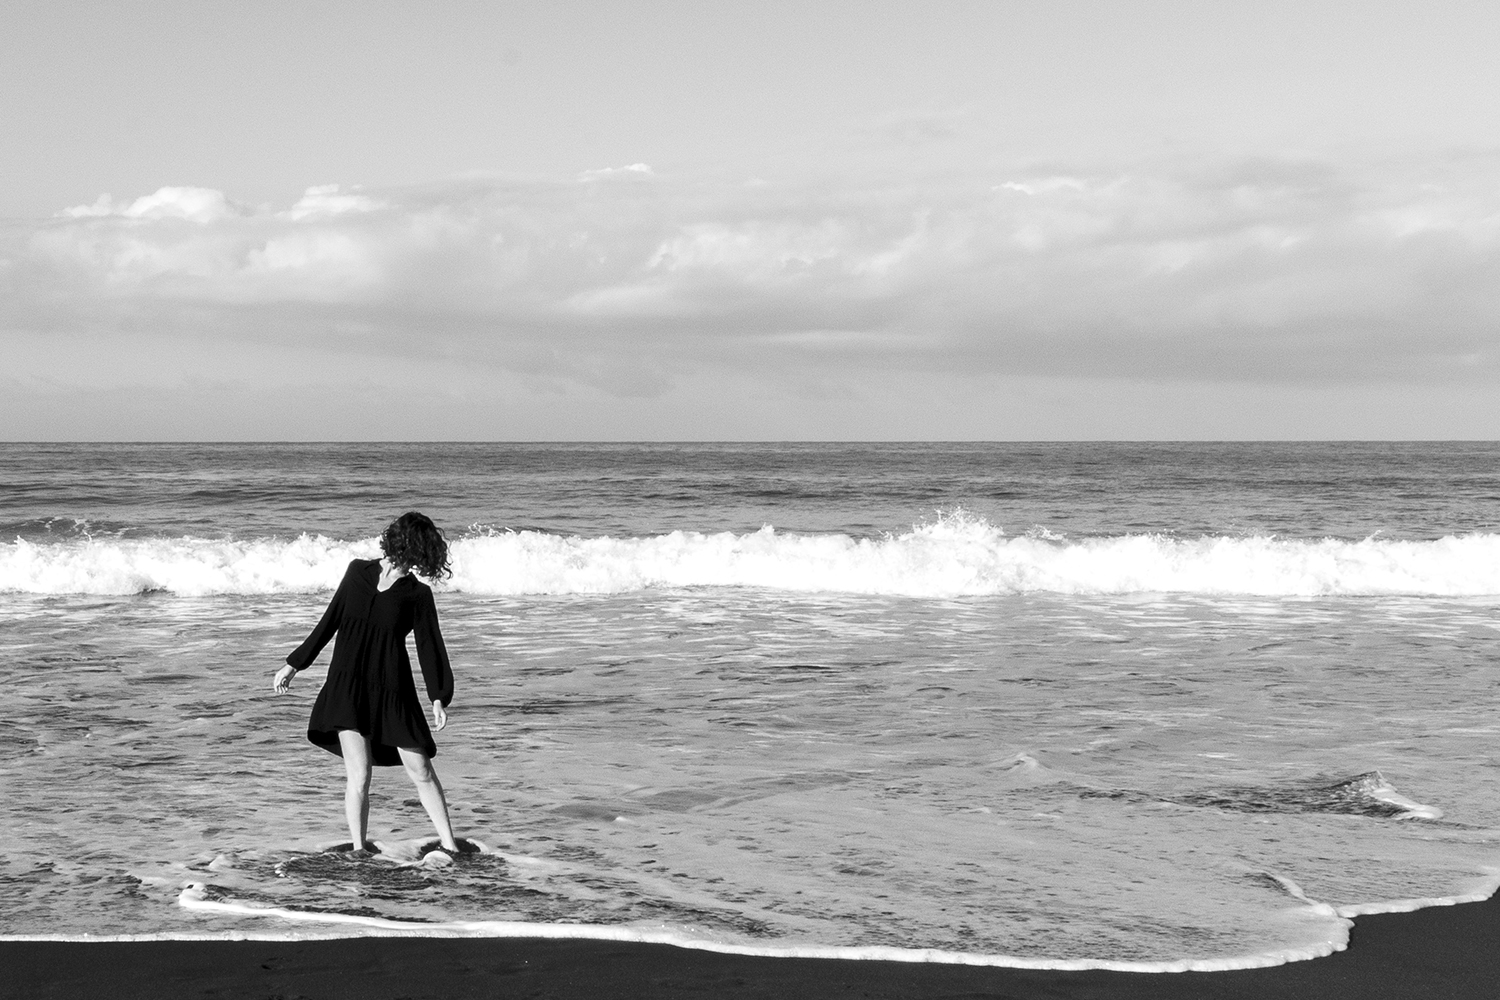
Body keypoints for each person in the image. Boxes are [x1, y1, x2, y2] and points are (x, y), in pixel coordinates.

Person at [272, 511, 460, 854]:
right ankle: (359, 850)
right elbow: (329, 621)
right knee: (359, 776)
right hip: (348, 686)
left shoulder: (417, 594)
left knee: (421, 770)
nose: (416, 560)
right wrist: (294, 664)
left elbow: (429, 646)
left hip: (393, 691)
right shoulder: (357, 571)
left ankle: (450, 846)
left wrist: (438, 697)